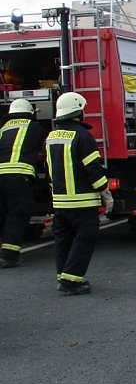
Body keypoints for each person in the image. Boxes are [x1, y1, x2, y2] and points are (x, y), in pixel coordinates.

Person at [46, 92, 112, 295]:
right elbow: (93, 168)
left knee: (63, 238)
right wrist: (105, 191)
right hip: (82, 200)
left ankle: (63, 274)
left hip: (60, 200)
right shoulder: (83, 136)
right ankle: (72, 280)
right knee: (86, 236)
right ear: (78, 112)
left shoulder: (51, 136)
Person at [0, 98, 48, 268]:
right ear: (30, 113)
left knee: (3, 215)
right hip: (19, 178)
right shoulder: (35, 127)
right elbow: (47, 149)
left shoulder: (3, 128)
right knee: (16, 216)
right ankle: (8, 256)